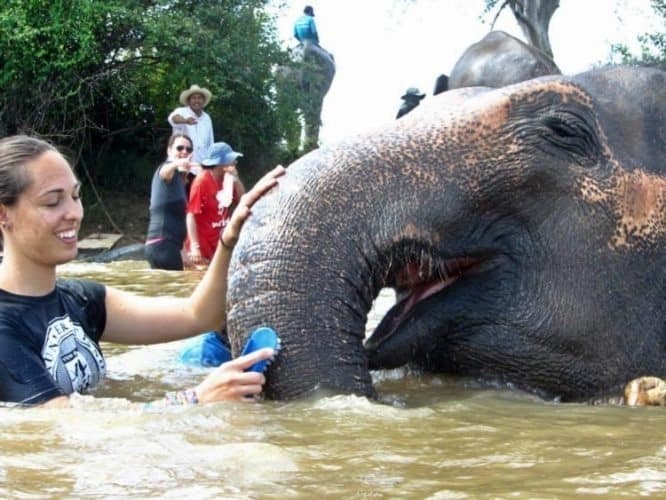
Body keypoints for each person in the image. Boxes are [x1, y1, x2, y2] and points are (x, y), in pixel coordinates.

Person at [0, 134, 285, 408]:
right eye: (53, 201)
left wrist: (229, 241)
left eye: (75, 196)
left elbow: (199, 315)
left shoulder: (80, 299)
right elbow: (60, 421)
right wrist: (196, 398)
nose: (74, 213)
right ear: (3, 214)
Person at [144, 134, 201, 271]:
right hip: (162, 246)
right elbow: (164, 172)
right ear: (169, 151)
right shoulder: (165, 169)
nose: (184, 152)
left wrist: (191, 265)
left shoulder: (178, 180)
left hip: (170, 246)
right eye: (180, 148)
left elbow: (177, 224)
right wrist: (177, 163)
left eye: (188, 149)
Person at [185, 142, 246, 267]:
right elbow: (191, 215)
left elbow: (243, 202)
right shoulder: (202, 181)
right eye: (231, 160)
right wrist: (195, 247)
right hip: (202, 246)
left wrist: (237, 180)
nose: (235, 162)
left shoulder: (228, 179)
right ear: (220, 163)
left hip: (218, 244)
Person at [167, 84, 215, 164]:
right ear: (189, 101)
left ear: (203, 101)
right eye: (193, 98)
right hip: (181, 162)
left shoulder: (207, 118)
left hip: (202, 163)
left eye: (199, 98)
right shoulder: (181, 111)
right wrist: (185, 121)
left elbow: (211, 141)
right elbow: (173, 118)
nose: (197, 101)